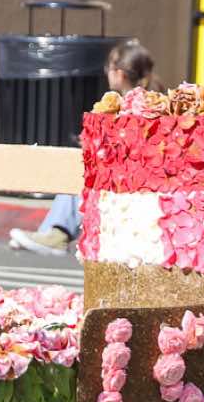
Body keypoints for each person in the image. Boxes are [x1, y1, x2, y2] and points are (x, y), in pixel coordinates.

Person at [11, 40, 162, 256]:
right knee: (83, 167)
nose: (106, 73)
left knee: (82, 172)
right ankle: (53, 232)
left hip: (134, 180)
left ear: (119, 74)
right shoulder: (153, 101)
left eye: (108, 68)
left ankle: (57, 233)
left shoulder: (135, 107)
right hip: (138, 175)